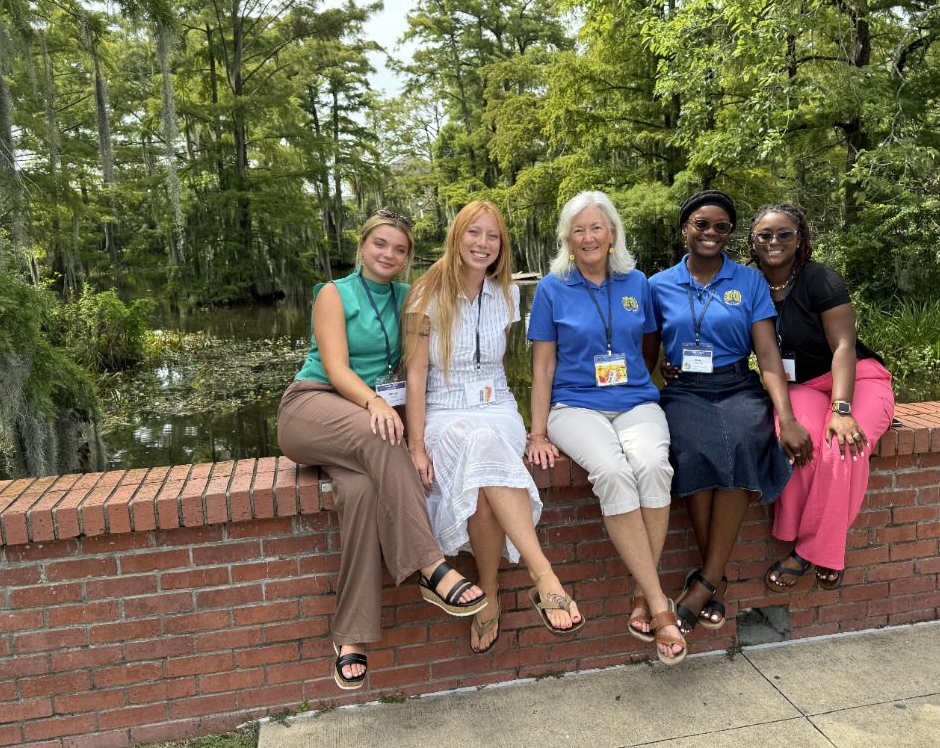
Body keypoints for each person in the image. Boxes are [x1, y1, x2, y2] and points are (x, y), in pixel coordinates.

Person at [276, 211, 487, 692]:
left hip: (361, 427)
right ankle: (431, 566)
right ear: (362, 245)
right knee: (381, 435)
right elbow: (334, 366)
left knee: (363, 495)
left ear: (409, 256)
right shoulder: (335, 293)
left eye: (399, 249)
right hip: (314, 406)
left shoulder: (410, 298)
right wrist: (376, 404)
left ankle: (350, 637)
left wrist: (419, 440)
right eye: (380, 244)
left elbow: (417, 369)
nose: (388, 255)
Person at [404, 201, 583, 654]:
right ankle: (543, 576)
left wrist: (528, 426)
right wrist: (416, 447)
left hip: (497, 406)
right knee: (480, 452)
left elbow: (499, 363)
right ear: (456, 236)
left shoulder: (507, 293)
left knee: (485, 480)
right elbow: (416, 376)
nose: (483, 244)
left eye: (493, 236)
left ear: (501, 245)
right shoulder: (424, 294)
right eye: (474, 233)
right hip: (444, 411)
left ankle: (490, 595)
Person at [527, 190, 686, 666]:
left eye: (597, 227)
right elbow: (542, 368)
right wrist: (537, 434)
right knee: (613, 473)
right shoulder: (552, 288)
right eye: (579, 230)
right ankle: (659, 604)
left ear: (613, 234)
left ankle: (641, 594)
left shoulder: (637, 281)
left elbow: (648, 347)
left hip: (636, 401)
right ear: (567, 240)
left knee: (654, 465)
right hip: (575, 407)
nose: (589, 236)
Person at [645, 190, 813, 635]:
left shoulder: (749, 282)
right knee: (693, 450)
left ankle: (704, 585)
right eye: (702, 224)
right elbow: (644, 358)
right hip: (685, 391)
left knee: (744, 442)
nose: (711, 233)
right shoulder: (658, 285)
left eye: (721, 226)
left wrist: (789, 416)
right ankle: (713, 580)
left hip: (738, 385)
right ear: (685, 229)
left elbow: (768, 356)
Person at [748, 203, 895, 591]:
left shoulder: (820, 279)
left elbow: (844, 345)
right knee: (799, 442)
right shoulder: (747, 285)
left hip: (856, 377)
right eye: (765, 234)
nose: (774, 241)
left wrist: (842, 409)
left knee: (844, 443)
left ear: (800, 239)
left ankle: (812, 551)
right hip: (801, 385)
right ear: (752, 241)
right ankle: (822, 544)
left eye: (785, 234)